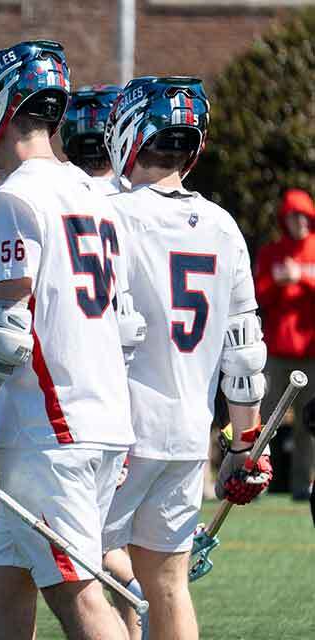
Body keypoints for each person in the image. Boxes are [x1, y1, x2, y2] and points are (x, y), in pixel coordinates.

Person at [0, 41, 136, 640]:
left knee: (77, 596)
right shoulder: (94, 191)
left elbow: (9, 334)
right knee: (8, 581)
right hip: (97, 414)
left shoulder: (17, 198)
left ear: (0, 108)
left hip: (53, 429)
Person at [101, 76, 272, 640]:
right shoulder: (223, 227)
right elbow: (244, 354)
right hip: (187, 435)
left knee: (64, 562)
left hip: (119, 429)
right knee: (167, 581)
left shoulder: (115, 216)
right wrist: (245, 444)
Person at [62, 82, 147, 640]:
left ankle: (129, 602)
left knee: (78, 550)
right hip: (132, 392)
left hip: (80, 396)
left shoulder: (64, 198)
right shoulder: (130, 202)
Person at [254, 187, 315, 501]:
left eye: (304, 216)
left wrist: (301, 279)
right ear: (284, 220)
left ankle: (302, 485)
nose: (299, 223)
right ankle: (257, 479)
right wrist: (279, 283)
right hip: (277, 352)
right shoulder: (271, 253)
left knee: (309, 423)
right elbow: (258, 296)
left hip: (310, 354)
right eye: (293, 217)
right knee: (266, 420)